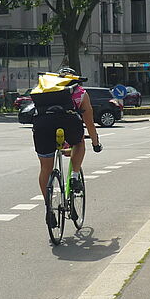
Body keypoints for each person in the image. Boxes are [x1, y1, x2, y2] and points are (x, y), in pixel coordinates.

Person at [31, 68, 102, 216]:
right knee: (79, 142)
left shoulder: (45, 90)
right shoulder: (80, 93)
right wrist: (95, 143)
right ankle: (75, 176)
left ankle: (48, 206)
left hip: (42, 126)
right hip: (69, 124)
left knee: (45, 168)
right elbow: (89, 123)